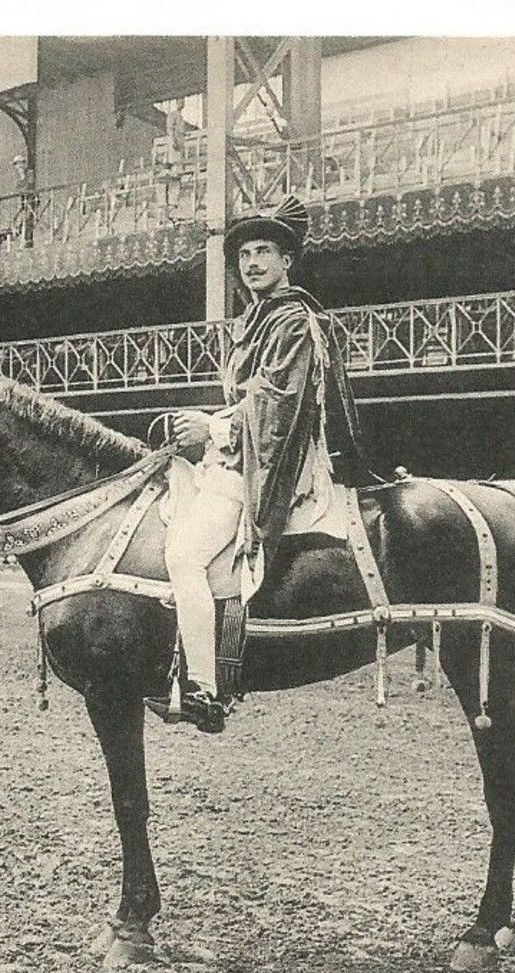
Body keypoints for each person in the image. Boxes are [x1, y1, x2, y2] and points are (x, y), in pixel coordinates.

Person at [147, 195, 372, 733]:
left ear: (287, 260)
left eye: (264, 251)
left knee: (182, 556)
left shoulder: (291, 320)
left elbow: (277, 406)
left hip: (275, 465)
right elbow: (253, 399)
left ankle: (203, 689)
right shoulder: (256, 320)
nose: (251, 263)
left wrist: (214, 428)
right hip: (245, 454)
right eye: (244, 253)